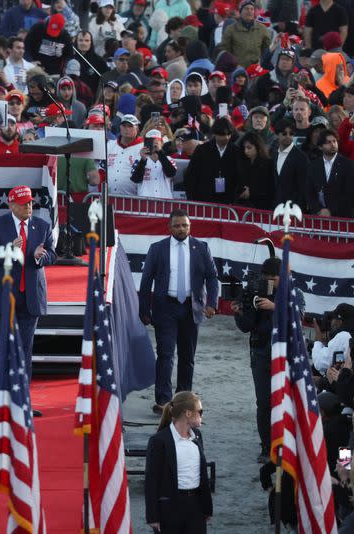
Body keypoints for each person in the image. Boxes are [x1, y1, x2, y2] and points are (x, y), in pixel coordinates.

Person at [0, 186, 56, 415]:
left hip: (30, 298)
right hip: (2, 298)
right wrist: (8, 250)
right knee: (5, 349)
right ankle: (6, 401)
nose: (28, 207)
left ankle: (22, 402)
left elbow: (53, 254)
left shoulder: (42, 226)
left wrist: (40, 257)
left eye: (31, 203)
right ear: (11, 205)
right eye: (24, 204)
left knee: (25, 350)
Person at [139, 210, 218, 412]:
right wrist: (144, 309)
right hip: (165, 307)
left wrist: (212, 303)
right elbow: (146, 280)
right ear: (169, 227)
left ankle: (183, 401)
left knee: (187, 356)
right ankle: (164, 401)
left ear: (190, 226)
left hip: (193, 308)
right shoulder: (157, 248)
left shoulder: (202, 247)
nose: (181, 229)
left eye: (185, 225)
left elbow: (212, 276)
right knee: (165, 354)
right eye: (177, 225)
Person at [232, 257, 283, 462]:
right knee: (263, 402)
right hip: (261, 352)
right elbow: (247, 326)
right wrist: (239, 313)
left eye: (274, 278)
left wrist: (275, 307)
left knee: (283, 401)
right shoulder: (256, 291)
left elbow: (298, 316)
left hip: (284, 354)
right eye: (267, 278)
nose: (269, 282)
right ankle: (266, 446)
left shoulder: (291, 293)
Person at [145, 391, 213, 533]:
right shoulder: (159, 441)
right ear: (188, 413)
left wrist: (206, 508)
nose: (202, 415)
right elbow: (152, 480)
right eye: (200, 411)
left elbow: (201, 473)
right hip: (170, 508)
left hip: (196, 506)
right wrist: (153, 516)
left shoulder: (197, 436)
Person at [184, 118, 241, 204]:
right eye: (221, 135)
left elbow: (239, 176)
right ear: (214, 134)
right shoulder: (202, 150)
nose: (225, 138)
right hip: (204, 199)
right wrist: (192, 198)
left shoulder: (236, 151)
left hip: (229, 201)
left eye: (228, 135)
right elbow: (191, 175)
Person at [306, 129, 354, 217]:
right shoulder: (314, 165)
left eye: (334, 141)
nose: (333, 144)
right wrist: (319, 209)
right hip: (319, 216)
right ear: (320, 147)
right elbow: (309, 191)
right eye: (328, 142)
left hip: (342, 217)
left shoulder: (348, 164)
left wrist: (330, 211)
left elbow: (349, 192)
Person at [272, 119, 309, 212]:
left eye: (291, 133)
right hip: (276, 208)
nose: (288, 136)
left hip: (294, 210)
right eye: (284, 133)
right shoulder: (274, 154)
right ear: (276, 135)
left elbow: (303, 187)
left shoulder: (301, 157)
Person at [130, 129, 177, 198]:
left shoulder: (169, 159)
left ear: (162, 143)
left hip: (165, 201)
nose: (153, 144)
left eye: (157, 141)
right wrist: (143, 160)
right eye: (150, 142)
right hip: (145, 201)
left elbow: (171, 174)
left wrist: (160, 152)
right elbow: (135, 179)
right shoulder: (138, 159)